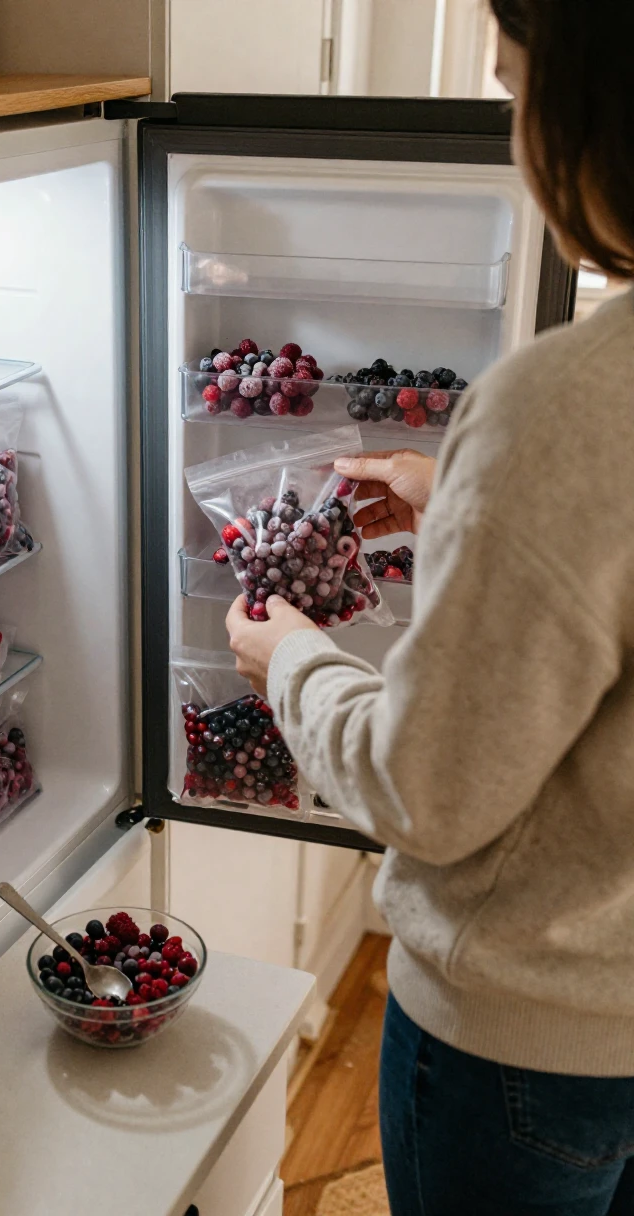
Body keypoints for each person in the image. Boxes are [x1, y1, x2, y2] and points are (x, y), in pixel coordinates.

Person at [225, 3, 634, 1213]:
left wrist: (290, 656)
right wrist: (465, 492)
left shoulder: (562, 406)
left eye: (516, 94)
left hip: (531, 1042)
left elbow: (427, 793)